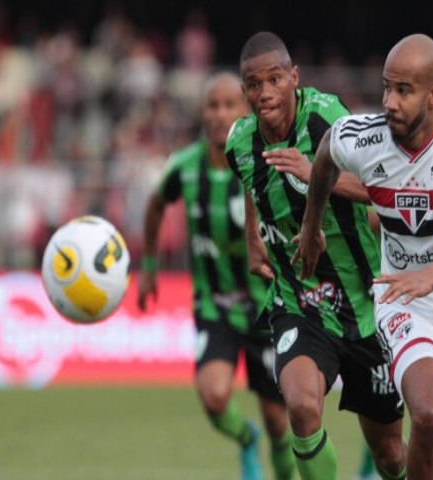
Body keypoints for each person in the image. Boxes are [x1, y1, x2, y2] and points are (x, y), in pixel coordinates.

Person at [294, 33, 433, 479]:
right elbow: (324, 158)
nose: (389, 102)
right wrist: (311, 225)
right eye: (386, 87)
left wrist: (432, 275)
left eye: (403, 90)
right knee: (430, 414)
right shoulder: (364, 138)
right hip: (407, 304)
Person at [225, 31, 406, 480]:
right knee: (303, 408)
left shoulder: (329, 120)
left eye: (275, 79)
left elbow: (379, 190)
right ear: (243, 88)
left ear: (294, 78)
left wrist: (316, 174)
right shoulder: (239, 143)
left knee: (390, 456)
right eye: (253, 83)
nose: (265, 92)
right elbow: (250, 182)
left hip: (366, 307)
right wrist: (253, 234)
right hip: (300, 303)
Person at [138, 71, 296, 480]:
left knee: (282, 425)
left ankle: (276, 458)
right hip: (214, 305)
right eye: (213, 105)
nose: (221, 113)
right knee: (212, 397)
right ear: (202, 112)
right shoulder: (185, 167)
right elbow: (155, 206)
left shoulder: (264, 163)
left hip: (266, 309)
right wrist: (150, 267)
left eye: (229, 105)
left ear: (244, 109)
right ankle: (246, 439)